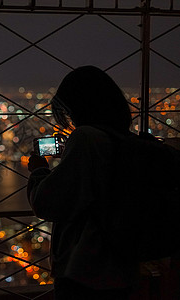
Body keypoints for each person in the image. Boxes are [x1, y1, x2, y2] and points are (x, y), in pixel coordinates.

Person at [27, 66, 137, 299]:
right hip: (123, 265)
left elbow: (45, 202)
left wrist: (39, 170)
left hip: (84, 269)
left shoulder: (86, 138)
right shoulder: (124, 138)